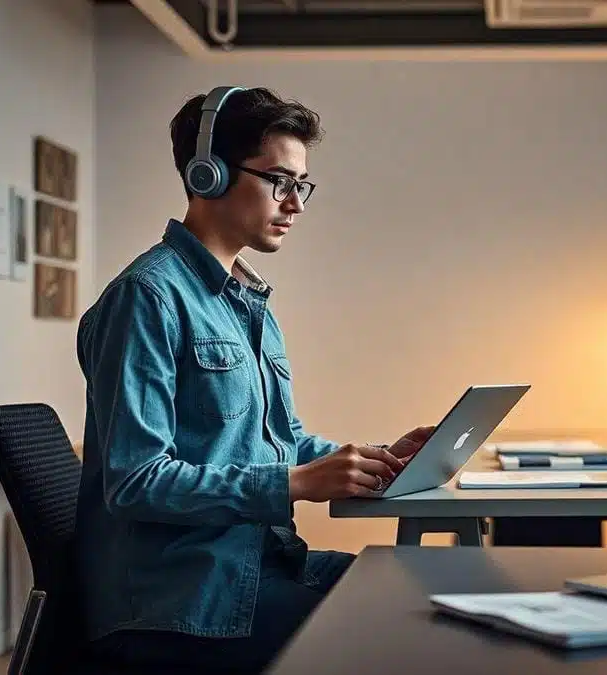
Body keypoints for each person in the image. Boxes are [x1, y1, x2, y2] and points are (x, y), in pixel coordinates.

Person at [75, 85, 435, 671]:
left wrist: (371, 460)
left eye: (302, 186)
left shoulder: (245, 299)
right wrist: (293, 483)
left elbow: (280, 439)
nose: (295, 204)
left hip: (260, 564)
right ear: (208, 174)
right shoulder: (147, 298)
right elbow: (135, 481)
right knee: (402, 638)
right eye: (279, 182)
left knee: (420, 594)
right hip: (181, 601)